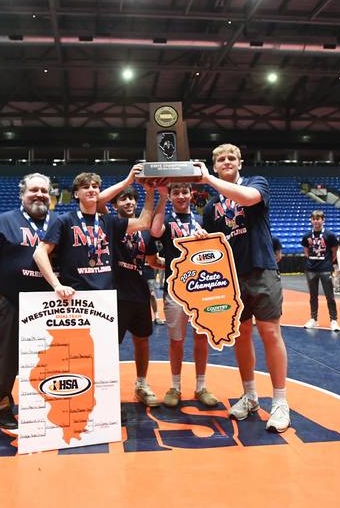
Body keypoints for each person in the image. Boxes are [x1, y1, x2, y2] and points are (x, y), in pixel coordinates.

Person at [198, 143, 289, 433]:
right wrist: (204, 239)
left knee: (270, 332)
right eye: (221, 159)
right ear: (215, 165)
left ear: (240, 162)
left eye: (231, 157)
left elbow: (249, 199)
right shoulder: (211, 207)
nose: (226, 161)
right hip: (231, 278)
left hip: (261, 268)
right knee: (242, 335)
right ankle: (250, 396)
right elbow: (216, 245)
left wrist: (208, 180)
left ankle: (279, 401)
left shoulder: (255, 183)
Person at [0, 173, 54, 430]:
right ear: (22, 194)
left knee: (48, 353)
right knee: (7, 355)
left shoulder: (57, 222)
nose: (39, 194)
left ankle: (48, 398)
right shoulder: (5, 221)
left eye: (44, 191)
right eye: (33, 190)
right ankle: (1, 405)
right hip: (13, 299)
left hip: (48, 303)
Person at [148, 182, 218, 408]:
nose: (181, 196)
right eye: (175, 193)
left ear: (191, 194)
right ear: (170, 196)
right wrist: (160, 197)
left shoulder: (201, 222)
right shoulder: (167, 221)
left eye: (184, 192)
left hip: (200, 290)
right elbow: (155, 232)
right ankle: (175, 386)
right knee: (176, 340)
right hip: (175, 290)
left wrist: (206, 240)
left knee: (200, 339)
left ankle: (201, 387)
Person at [32, 169, 155, 298]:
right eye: (86, 187)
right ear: (76, 194)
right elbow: (39, 253)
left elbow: (144, 223)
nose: (91, 189)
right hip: (74, 295)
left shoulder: (109, 221)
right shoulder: (65, 220)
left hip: (106, 296)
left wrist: (150, 192)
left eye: (95, 187)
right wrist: (57, 285)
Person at [98, 170, 161, 407]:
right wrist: (127, 181)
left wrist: (182, 263)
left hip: (139, 291)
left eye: (132, 198)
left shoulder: (145, 229)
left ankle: (142, 384)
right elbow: (99, 201)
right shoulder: (111, 222)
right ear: (115, 205)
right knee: (110, 343)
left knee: (142, 340)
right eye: (123, 198)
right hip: (115, 293)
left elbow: (154, 261)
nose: (129, 202)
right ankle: (106, 385)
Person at [300, 210, 340, 331]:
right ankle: (313, 319)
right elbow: (306, 251)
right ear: (311, 220)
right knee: (313, 296)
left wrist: (327, 263)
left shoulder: (330, 235)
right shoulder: (307, 235)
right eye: (314, 219)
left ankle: (333, 320)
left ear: (323, 220)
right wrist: (312, 261)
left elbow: (334, 252)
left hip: (325, 269)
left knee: (330, 296)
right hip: (311, 269)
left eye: (318, 219)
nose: (316, 221)